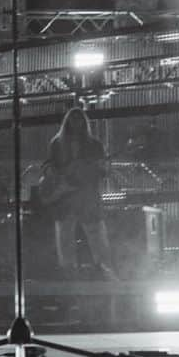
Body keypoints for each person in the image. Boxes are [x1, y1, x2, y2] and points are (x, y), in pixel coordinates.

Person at [44, 106, 114, 278]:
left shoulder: (94, 145)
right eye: (73, 120)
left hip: (86, 199)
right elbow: (47, 166)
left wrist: (102, 168)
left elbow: (103, 172)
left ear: (84, 123)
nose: (76, 124)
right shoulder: (57, 144)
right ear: (68, 122)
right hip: (66, 199)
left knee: (96, 238)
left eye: (79, 120)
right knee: (65, 239)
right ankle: (69, 275)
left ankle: (104, 273)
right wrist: (56, 175)